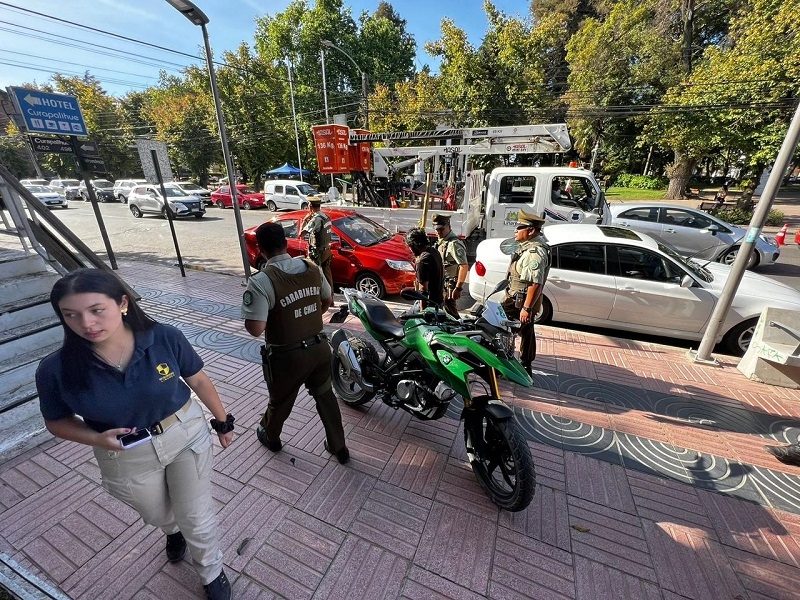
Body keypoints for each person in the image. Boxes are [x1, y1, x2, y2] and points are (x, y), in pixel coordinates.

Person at [35, 269, 234, 600]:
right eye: (71, 315)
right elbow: (57, 421)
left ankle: (211, 572)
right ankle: (172, 530)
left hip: (184, 434)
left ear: (123, 303)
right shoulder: (56, 369)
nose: (86, 323)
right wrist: (97, 439)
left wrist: (223, 422)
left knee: (195, 514)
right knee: (156, 513)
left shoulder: (164, 337)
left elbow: (198, 379)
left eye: (97, 310)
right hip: (124, 452)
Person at [242, 222, 349, 464]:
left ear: (260, 249)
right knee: (325, 396)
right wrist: (306, 317)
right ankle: (339, 446)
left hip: (287, 357)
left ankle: (271, 436)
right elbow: (327, 300)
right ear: (285, 242)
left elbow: (256, 329)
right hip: (320, 348)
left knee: (281, 401)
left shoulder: (261, 281)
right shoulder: (310, 267)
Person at [502, 210, 551, 376]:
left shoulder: (534, 253)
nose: (515, 230)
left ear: (530, 230)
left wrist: (527, 308)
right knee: (526, 330)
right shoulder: (528, 248)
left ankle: (504, 364)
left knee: (500, 328)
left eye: (519, 227)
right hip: (519, 299)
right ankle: (525, 365)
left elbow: (535, 283)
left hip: (519, 301)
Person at [431, 214, 469, 319]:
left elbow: (464, 266)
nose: (438, 232)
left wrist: (458, 288)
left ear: (449, 227)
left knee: (451, 314)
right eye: (436, 229)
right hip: (442, 284)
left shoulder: (454, 244)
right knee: (445, 313)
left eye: (441, 229)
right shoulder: (442, 241)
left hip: (449, 287)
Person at [405, 227, 444, 309]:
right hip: (438, 302)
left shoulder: (422, 261)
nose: (410, 250)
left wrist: (423, 313)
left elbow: (423, 291)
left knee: (404, 320)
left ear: (414, 245)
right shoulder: (434, 251)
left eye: (410, 246)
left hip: (430, 307)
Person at [301, 197, 333, 289]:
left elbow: (301, 234)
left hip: (317, 253)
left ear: (310, 206)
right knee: (327, 275)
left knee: (315, 275)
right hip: (326, 251)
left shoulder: (316, 219)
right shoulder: (326, 217)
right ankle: (331, 298)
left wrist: (304, 221)